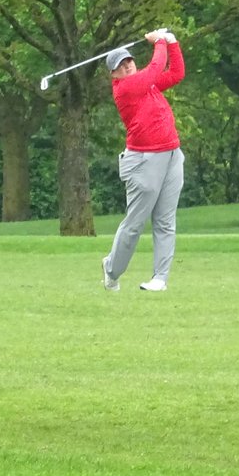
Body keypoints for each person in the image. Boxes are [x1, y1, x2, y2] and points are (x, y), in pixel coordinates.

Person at [102, 28, 185, 293]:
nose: (127, 67)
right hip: (143, 161)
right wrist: (159, 41)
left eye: (129, 61)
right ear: (113, 74)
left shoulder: (146, 84)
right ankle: (112, 270)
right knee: (135, 224)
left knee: (165, 220)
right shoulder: (126, 88)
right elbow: (155, 67)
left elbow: (175, 73)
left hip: (171, 155)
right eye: (120, 66)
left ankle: (160, 278)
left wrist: (172, 43)